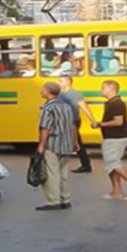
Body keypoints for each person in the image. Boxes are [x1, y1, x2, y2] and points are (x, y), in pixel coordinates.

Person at [94, 81, 127, 201]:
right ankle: (116, 191)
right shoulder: (111, 103)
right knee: (110, 165)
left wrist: (100, 124)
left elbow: (118, 121)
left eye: (103, 88)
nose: (101, 90)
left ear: (111, 89)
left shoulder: (117, 104)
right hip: (111, 137)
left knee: (114, 163)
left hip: (116, 138)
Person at [36, 82, 78, 211]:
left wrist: (41, 144)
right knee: (63, 172)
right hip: (66, 142)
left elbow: (45, 127)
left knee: (52, 173)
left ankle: (53, 201)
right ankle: (66, 199)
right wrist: (75, 142)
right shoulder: (66, 106)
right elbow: (72, 125)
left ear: (48, 92)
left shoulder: (48, 107)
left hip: (53, 142)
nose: (41, 91)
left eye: (42, 89)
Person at [57, 75, 96, 173]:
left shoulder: (75, 94)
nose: (59, 83)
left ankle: (85, 165)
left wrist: (93, 121)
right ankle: (85, 164)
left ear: (68, 82)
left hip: (72, 121)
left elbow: (84, 107)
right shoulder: (60, 94)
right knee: (73, 142)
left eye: (61, 81)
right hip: (63, 121)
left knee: (74, 142)